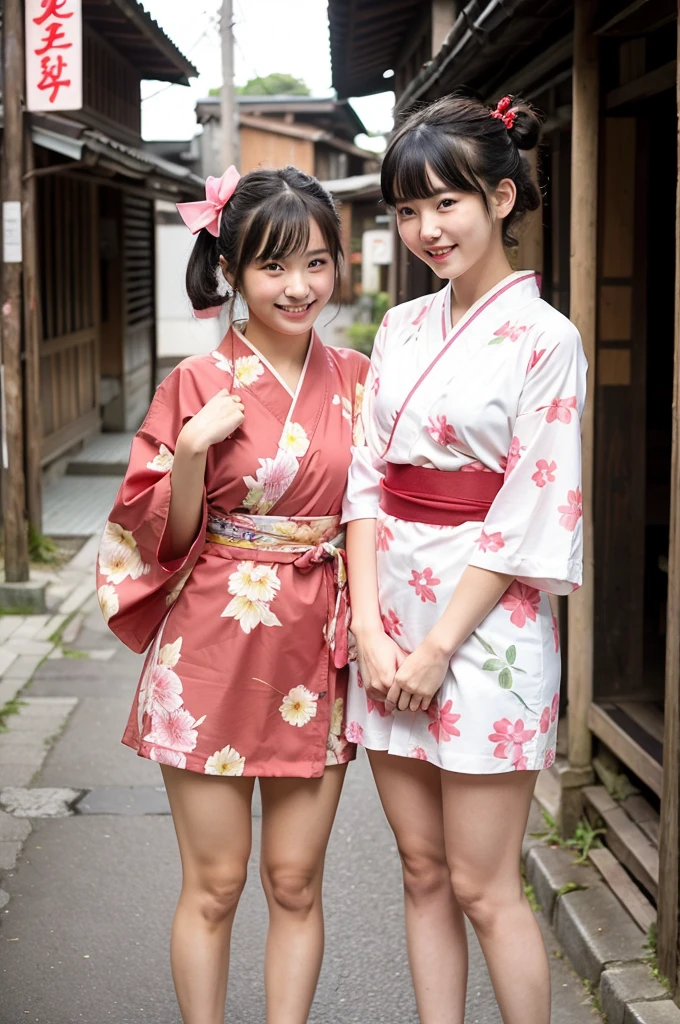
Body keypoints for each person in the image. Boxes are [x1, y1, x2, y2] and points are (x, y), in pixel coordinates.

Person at [96, 165, 368, 1024]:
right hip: (212, 645)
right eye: (275, 266)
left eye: (317, 264)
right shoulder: (196, 384)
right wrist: (186, 457)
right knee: (215, 885)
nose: (299, 287)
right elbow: (160, 542)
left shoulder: (361, 376)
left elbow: (377, 517)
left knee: (294, 881)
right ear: (233, 270)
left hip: (316, 648)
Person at [343, 94, 587, 1024]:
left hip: (484, 632)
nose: (425, 229)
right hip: (393, 622)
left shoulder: (547, 340)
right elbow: (365, 482)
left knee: (487, 888)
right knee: (420, 870)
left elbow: (532, 507)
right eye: (407, 209)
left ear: (503, 197)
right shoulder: (400, 330)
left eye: (446, 203)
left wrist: (440, 644)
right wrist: (370, 631)